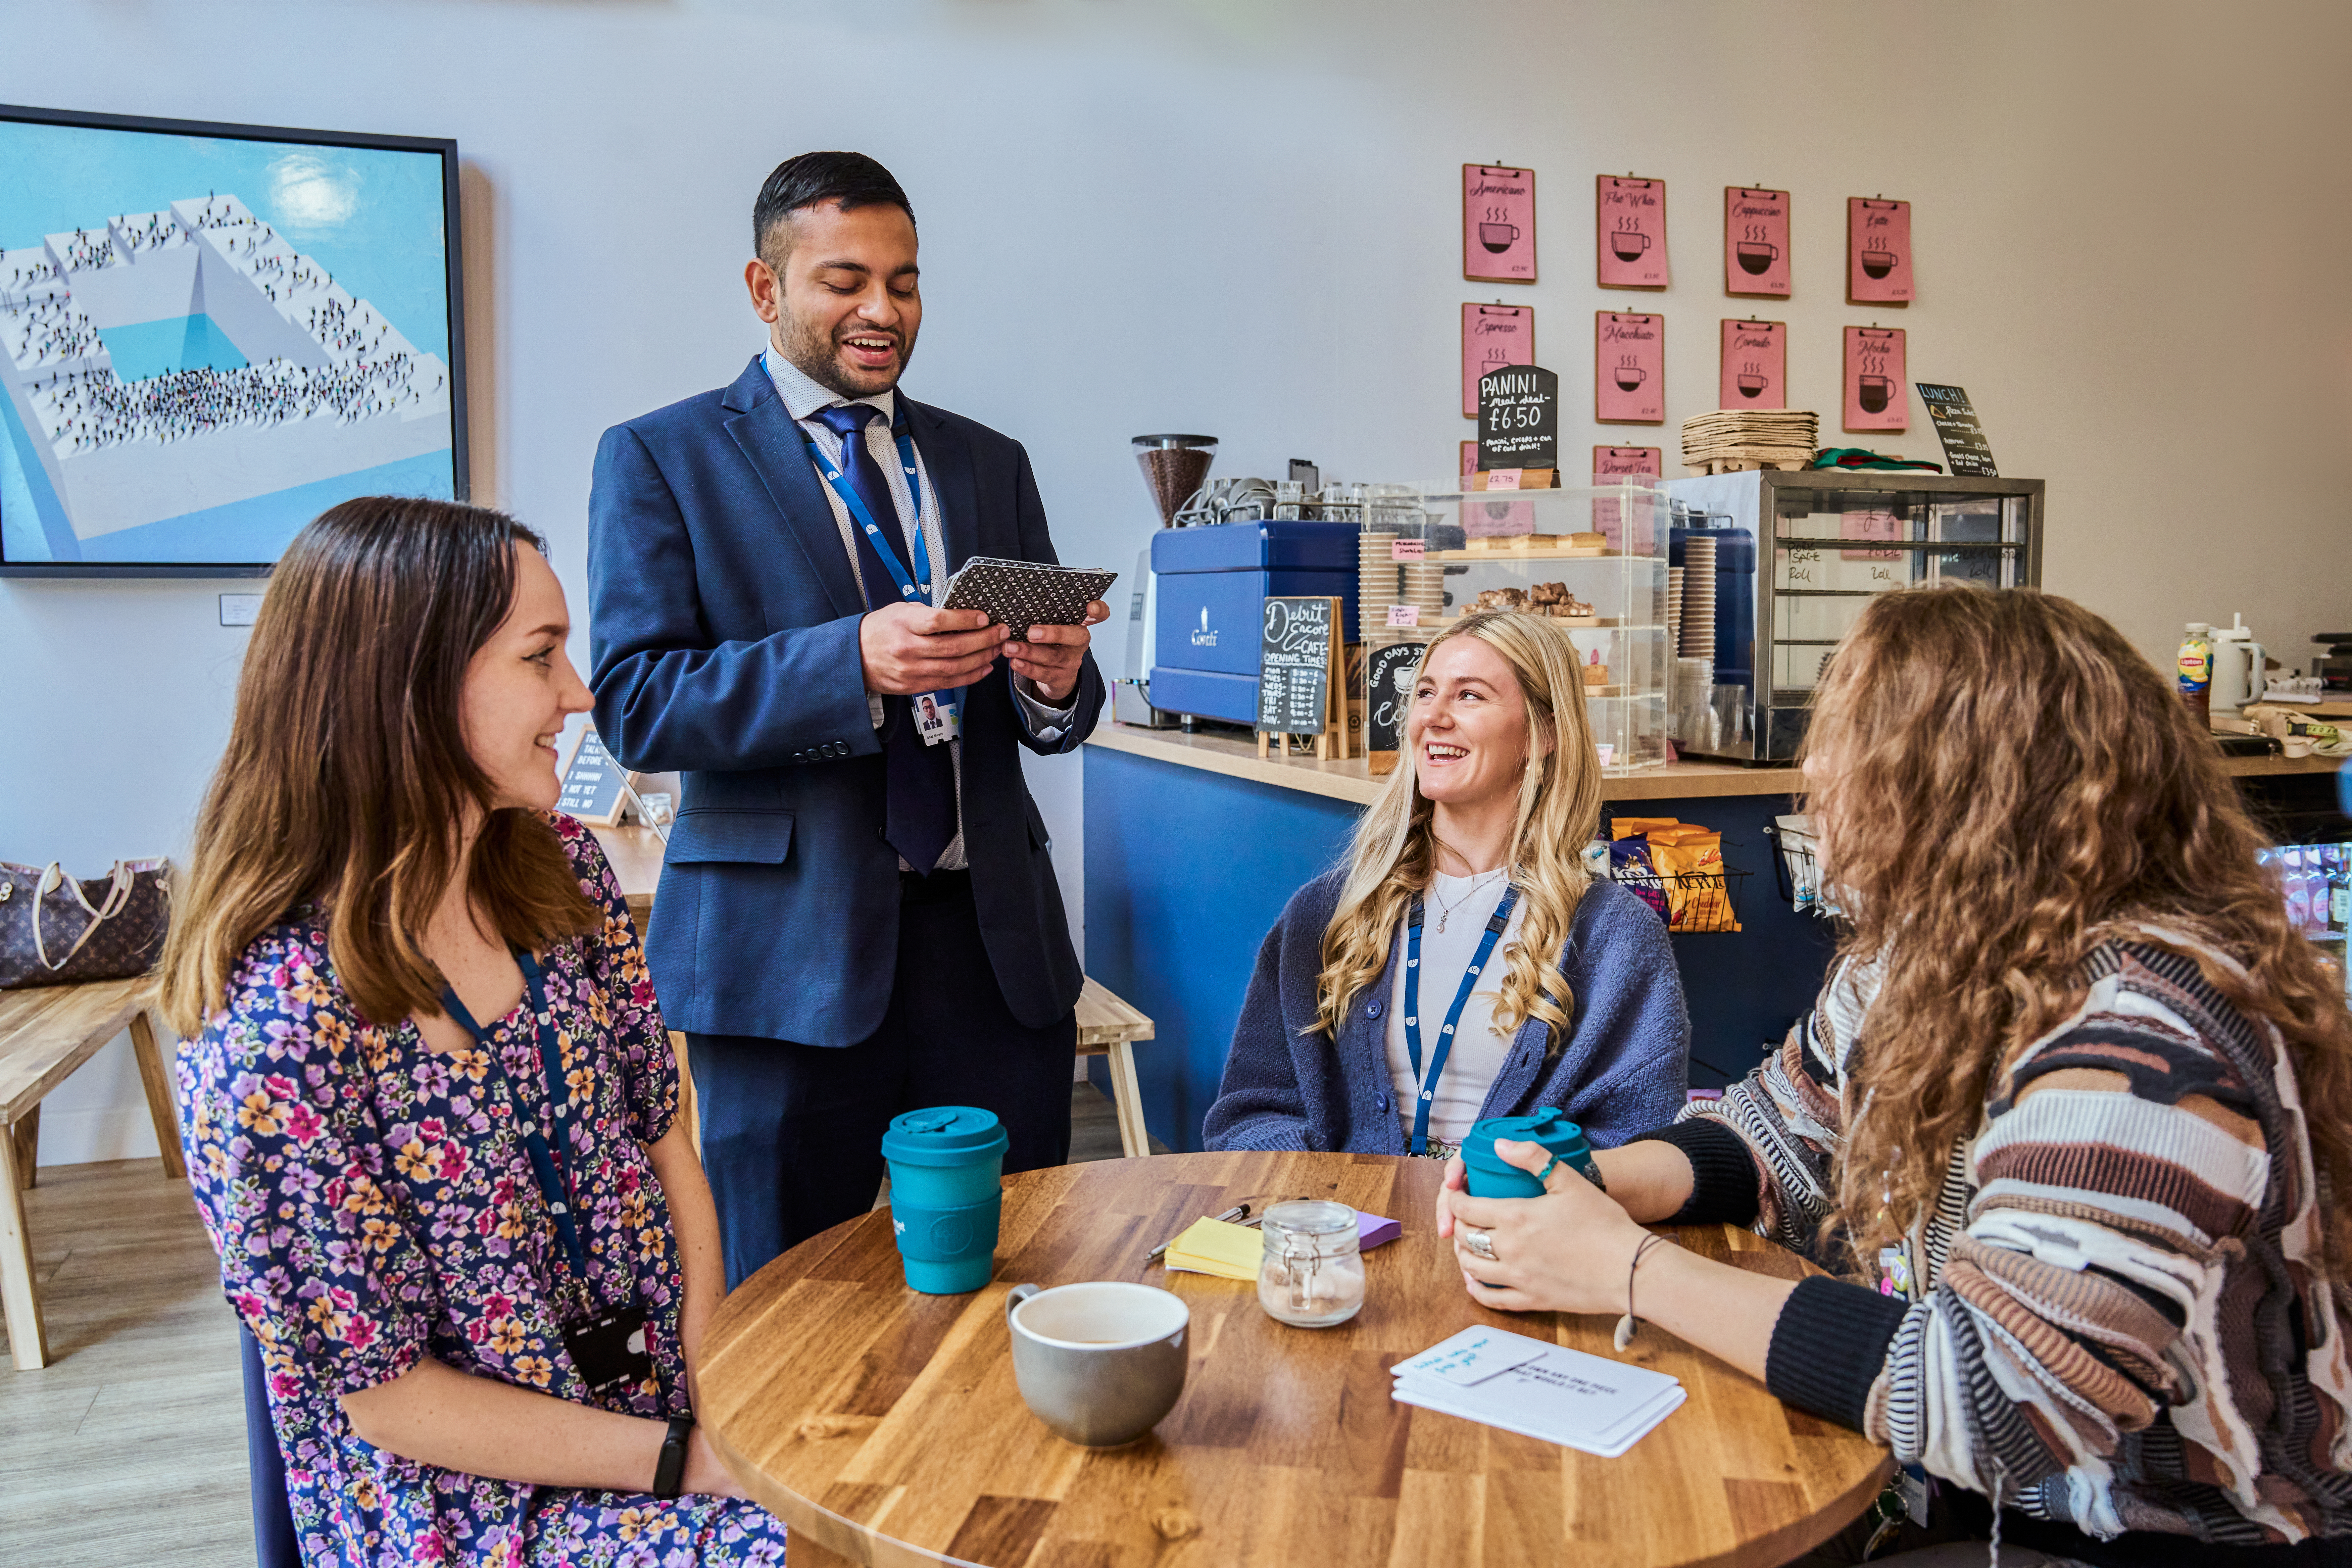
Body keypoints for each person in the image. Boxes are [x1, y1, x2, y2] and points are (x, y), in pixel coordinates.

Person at [1439, 585, 2352, 1567]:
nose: (1815, 775)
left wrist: (1626, 1266)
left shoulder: (2142, 1037)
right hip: (1978, 1509)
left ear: (1969, 781)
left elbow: (1990, 1401)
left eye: (1850, 741)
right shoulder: (1918, 962)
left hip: (2175, 1537)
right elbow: (1776, 1126)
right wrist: (1598, 1184)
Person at [162, 497, 788, 1566]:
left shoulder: (563, 874)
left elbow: (665, 1140)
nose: (581, 695)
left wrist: (708, 1391)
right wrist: (684, 1465)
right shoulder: (274, 1038)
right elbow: (392, 1402)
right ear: (405, 688)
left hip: (657, 1410)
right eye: (542, 657)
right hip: (471, 1505)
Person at [587, 152, 1106, 1285]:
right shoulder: (659, 457)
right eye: (845, 280)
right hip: (784, 960)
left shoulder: (986, 459)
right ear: (763, 289)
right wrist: (849, 663)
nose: (883, 310)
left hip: (991, 948)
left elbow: (1049, 714)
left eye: (905, 281)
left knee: (1013, 1268)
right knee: (785, 1296)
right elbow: (635, 702)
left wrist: (1055, 680)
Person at [1204, 611, 1688, 1155]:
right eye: (1426, 692)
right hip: (1345, 1222)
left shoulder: (1617, 938)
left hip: (1515, 1231)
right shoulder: (1328, 913)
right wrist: (1318, 1198)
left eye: (1470, 697)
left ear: (1543, 733)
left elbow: (1636, 1142)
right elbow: (1252, 1111)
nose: (1433, 717)